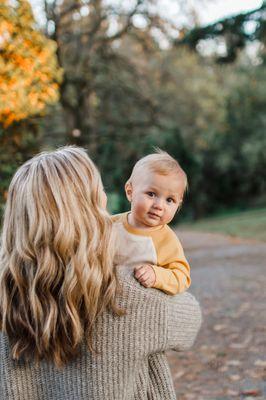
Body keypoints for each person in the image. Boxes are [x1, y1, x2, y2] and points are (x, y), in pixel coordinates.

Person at [0, 146, 201, 400]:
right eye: (100, 192)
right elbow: (190, 319)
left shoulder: (8, 293)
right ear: (86, 209)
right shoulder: (125, 293)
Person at [113, 150, 191, 295]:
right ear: (130, 192)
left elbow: (182, 278)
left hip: (142, 308)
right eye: (151, 194)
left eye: (169, 200)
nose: (159, 206)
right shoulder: (110, 225)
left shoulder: (166, 240)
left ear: (178, 204)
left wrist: (156, 275)